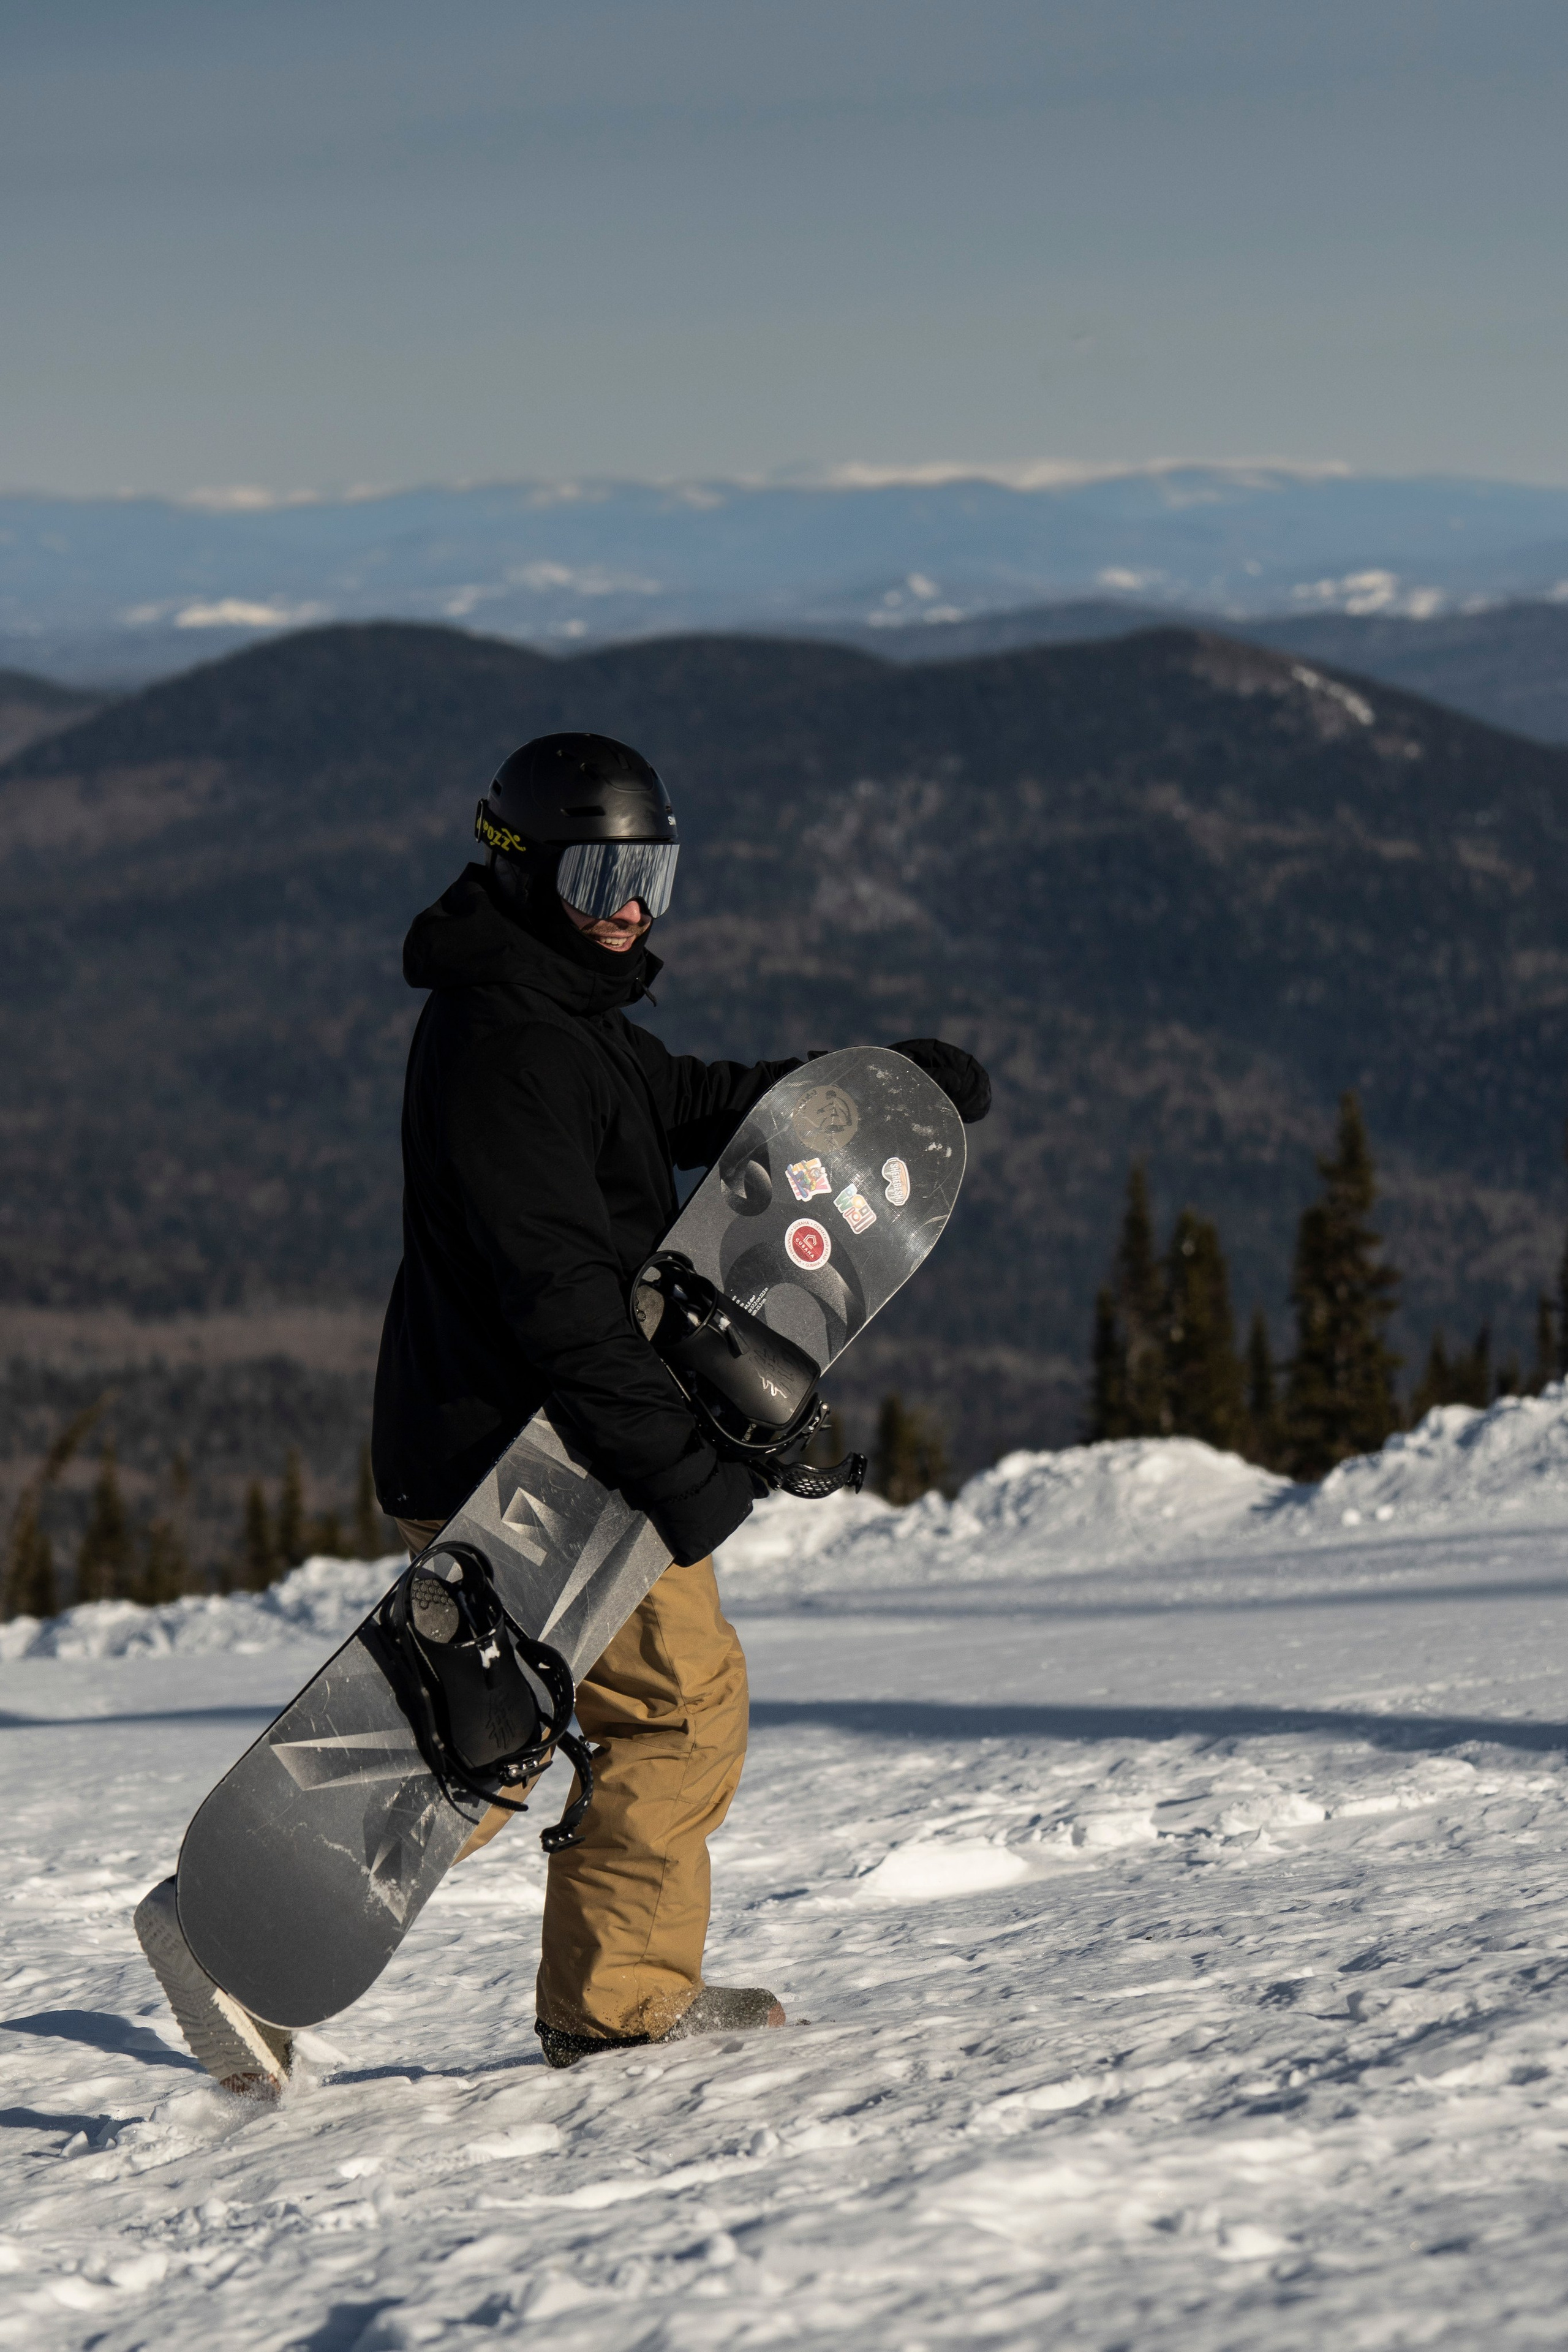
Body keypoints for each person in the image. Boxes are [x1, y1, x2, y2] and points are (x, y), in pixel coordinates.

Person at [135, 731, 989, 2094]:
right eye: (600, 876)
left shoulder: (543, 1011)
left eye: (650, 872)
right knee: (671, 1713)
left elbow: (675, 1101)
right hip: (539, 1454)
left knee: (502, 1723)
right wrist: (674, 1469)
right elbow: (561, 1304)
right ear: (523, 872)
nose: (632, 907)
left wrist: (864, 1090)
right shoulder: (510, 1048)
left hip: (505, 1438)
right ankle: (602, 2005)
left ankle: (251, 1928)